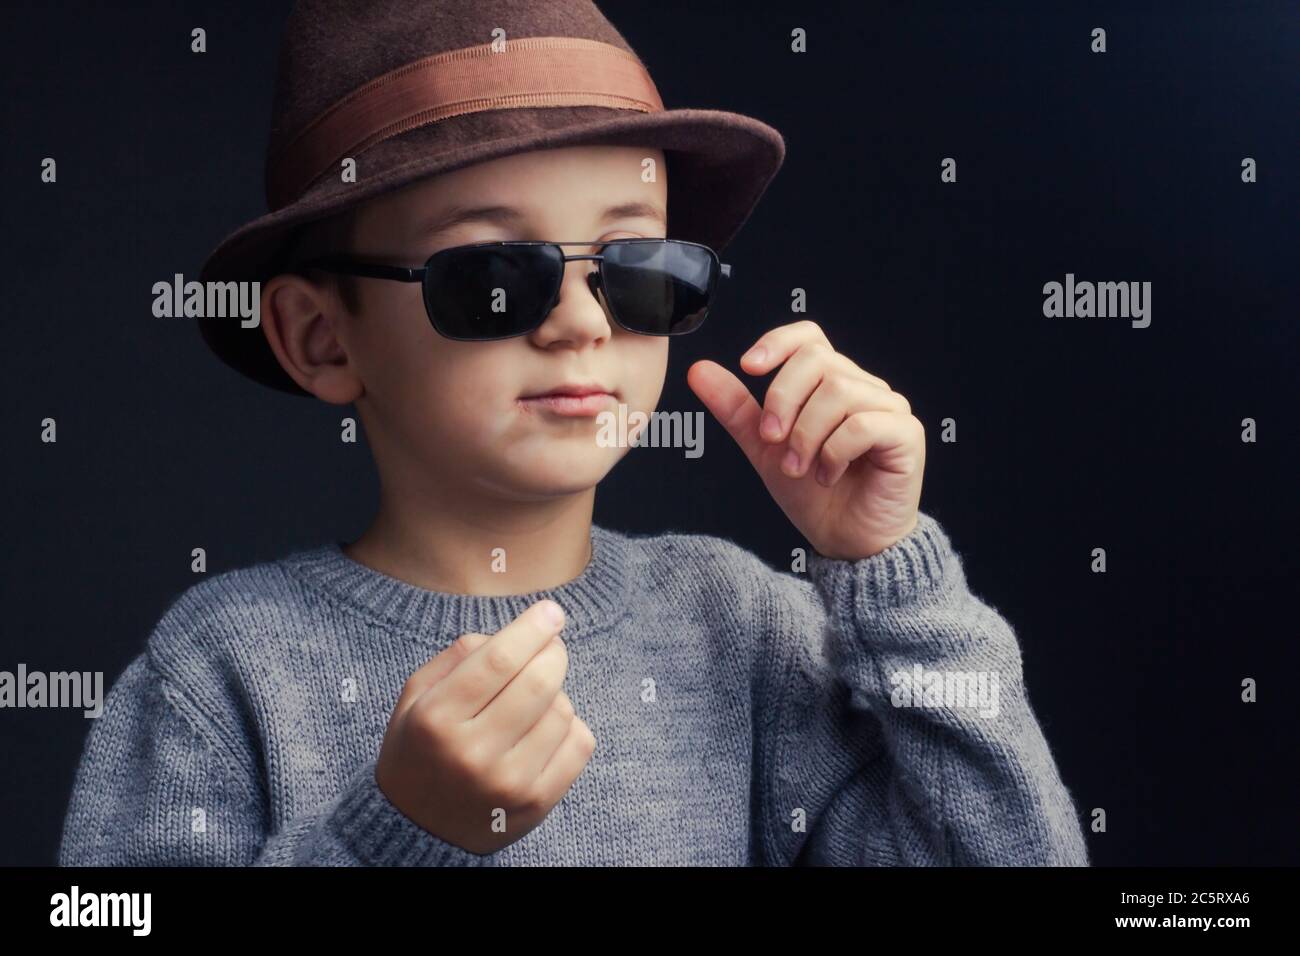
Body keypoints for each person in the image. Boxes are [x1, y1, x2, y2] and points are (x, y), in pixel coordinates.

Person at [58, 0, 1088, 866]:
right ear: (321, 336)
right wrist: (397, 834)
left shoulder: (744, 626)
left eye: (638, 265)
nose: (585, 320)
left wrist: (890, 579)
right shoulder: (223, 667)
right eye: (495, 275)